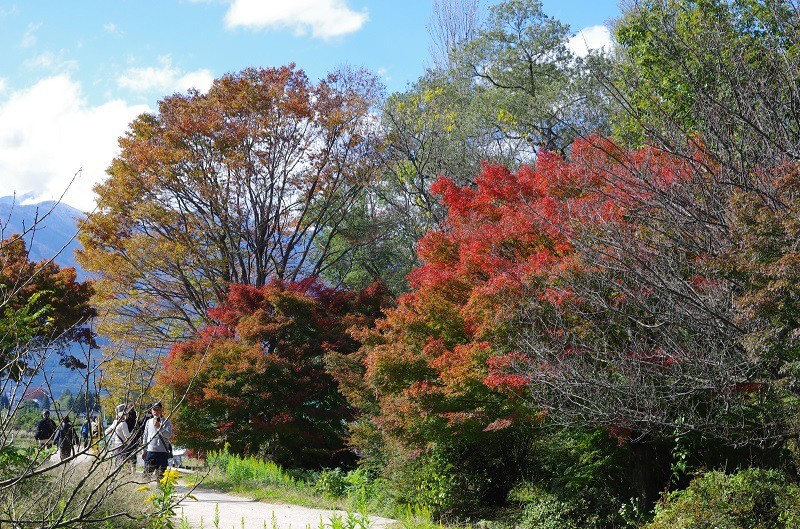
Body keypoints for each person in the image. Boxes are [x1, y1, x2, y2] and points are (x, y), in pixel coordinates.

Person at [141, 401, 172, 479]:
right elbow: (145, 436)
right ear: (151, 411)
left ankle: (160, 491)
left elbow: (168, 435)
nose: (155, 411)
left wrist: (159, 427)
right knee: (146, 476)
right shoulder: (148, 422)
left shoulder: (166, 422)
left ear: (161, 410)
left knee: (161, 478)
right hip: (150, 452)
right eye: (153, 409)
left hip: (162, 453)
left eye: (157, 409)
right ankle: (144, 490)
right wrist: (144, 450)